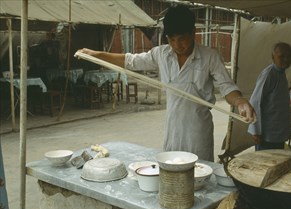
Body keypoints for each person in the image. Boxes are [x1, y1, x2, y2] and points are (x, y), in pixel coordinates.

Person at [76, 5, 256, 161]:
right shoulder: (161, 54)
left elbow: (227, 87)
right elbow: (130, 61)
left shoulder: (210, 57)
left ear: (194, 33)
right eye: (172, 39)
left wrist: (240, 101)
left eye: (182, 38)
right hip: (172, 130)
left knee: (200, 175)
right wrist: (96, 54)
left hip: (198, 132)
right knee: (173, 175)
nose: (177, 45)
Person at [248, 42, 291, 151]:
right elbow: (255, 102)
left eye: (289, 56)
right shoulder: (269, 74)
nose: (286, 59)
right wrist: (255, 131)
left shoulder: (281, 73)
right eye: (281, 56)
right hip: (266, 136)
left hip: (277, 134)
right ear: (273, 57)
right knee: (264, 165)